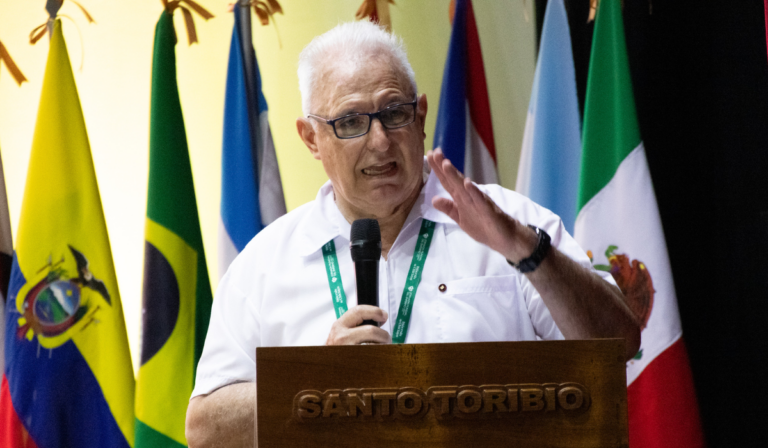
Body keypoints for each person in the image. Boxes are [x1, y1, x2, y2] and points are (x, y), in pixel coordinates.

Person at [185, 21, 640, 448]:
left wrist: (527, 251)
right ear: (310, 138)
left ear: (421, 115)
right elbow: (204, 429)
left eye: (394, 113)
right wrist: (315, 383)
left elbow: (620, 345)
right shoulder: (266, 261)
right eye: (350, 122)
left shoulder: (511, 222)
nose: (380, 140)